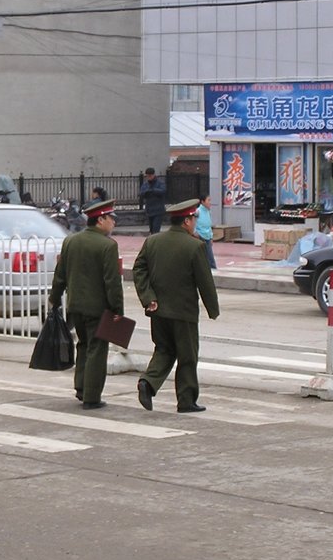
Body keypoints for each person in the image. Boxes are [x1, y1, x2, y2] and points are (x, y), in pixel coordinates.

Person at [132, 198, 220, 413]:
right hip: (183, 311)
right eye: (193, 219)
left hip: (158, 310)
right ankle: (186, 400)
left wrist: (148, 297)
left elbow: (138, 269)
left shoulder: (153, 242)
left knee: (163, 349)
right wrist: (212, 309)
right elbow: (204, 281)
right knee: (187, 356)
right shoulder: (195, 246)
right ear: (187, 221)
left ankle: (148, 382)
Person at [48, 198, 124, 409]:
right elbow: (112, 282)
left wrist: (54, 298)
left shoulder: (71, 241)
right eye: (111, 218)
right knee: (97, 350)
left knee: (83, 345)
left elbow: (60, 275)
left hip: (75, 306)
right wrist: (118, 310)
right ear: (101, 220)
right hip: (98, 308)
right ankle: (92, 396)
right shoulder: (108, 246)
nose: (114, 223)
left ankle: (81, 387)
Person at [140, 167, 167, 234]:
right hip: (149, 210)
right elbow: (141, 193)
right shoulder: (145, 184)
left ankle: (155, 242)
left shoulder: (160, 183)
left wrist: (153, 190)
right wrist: (147, 192)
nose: (149, 177)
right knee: (151, 229)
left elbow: (163, 191)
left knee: (156, 228)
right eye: (147, 176)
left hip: (158, 210)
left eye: (150, 176)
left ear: (153, 175)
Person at [194, 195, 217, 269]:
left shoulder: (208, 212)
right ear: (202, 202)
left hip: (207, 237)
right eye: (208, 200)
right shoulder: (197, 211)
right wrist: (195, 232)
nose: (210, 202)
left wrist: (211, 237)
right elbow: (192, 221)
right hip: (199, 237)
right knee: (202, 258)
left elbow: (209, 225)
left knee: (210, 258)